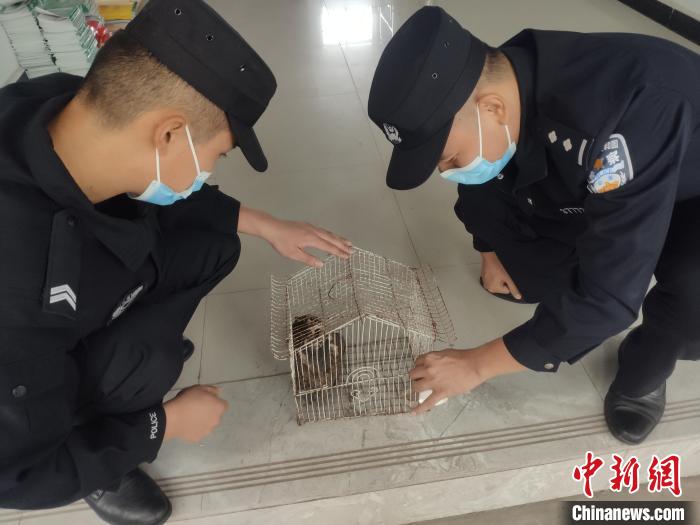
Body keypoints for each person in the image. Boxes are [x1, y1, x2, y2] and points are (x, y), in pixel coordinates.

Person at [0, 0, 351, 523]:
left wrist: (266, 225)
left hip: (96, 279)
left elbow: (180, 194)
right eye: (216, 155)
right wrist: (163, 424)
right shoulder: (17, 291)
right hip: (36, 366)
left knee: (215, 243)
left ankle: (135, 354)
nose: (209, 171)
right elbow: (18, 477)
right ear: (167, 133)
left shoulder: (63, 105)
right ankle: (99, 441)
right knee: (148, 364)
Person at [368, 7, 699, 445]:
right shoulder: (506, 82)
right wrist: (488, 248)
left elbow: (607, 297)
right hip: (612, 182)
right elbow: (484, 182)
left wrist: (476, 364)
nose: (446, 171)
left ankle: (645, 373)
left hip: (692, 185)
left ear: (492, 108)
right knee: (530, 280)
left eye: (446, 158)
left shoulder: (621, 119)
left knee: (690, 291)